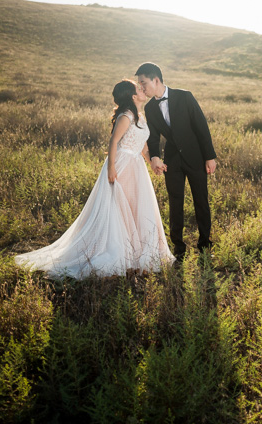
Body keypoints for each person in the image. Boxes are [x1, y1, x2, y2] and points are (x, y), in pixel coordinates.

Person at [15, 79, 175, 278]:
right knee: (118, 209)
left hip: (137, 167)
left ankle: (135, 254)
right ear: (133, 96)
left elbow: (142, 146)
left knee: (135, 208)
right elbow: (114, 141)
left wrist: (153, 163)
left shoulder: (140, 117)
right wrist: (111, 169)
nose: (142, 90)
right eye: (138, 88)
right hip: (122, 165)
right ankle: (119, 253)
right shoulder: (126, 116)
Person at [135, 62, 217, 257]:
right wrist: (155, 156)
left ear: (156, 80)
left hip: (196, 157)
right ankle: (178, 249)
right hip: (172, 161)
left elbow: (201, 127)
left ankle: (205, 246)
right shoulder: (151, 108)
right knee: (175, 203)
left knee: (201, 202)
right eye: (139, 85)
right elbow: (153, 137)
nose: (142, 88)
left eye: (143, 83)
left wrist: (210, 157)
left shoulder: (185, 96)